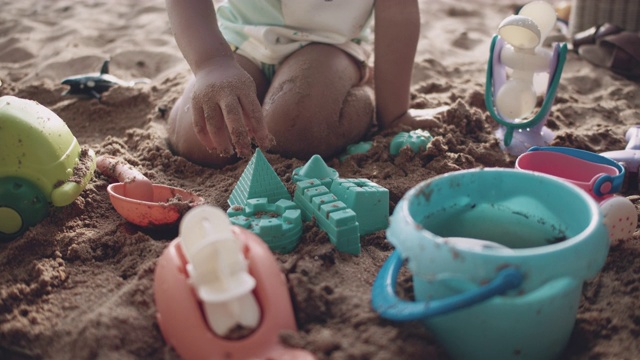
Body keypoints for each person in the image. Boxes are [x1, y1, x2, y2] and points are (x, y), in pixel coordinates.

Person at [165, 0, 421, 167]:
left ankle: (362, 83)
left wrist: (394, 113)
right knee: (202, 142)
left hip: (328, 43)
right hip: (240, 38)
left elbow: (398, 10)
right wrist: (211, 64)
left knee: (292, 129)